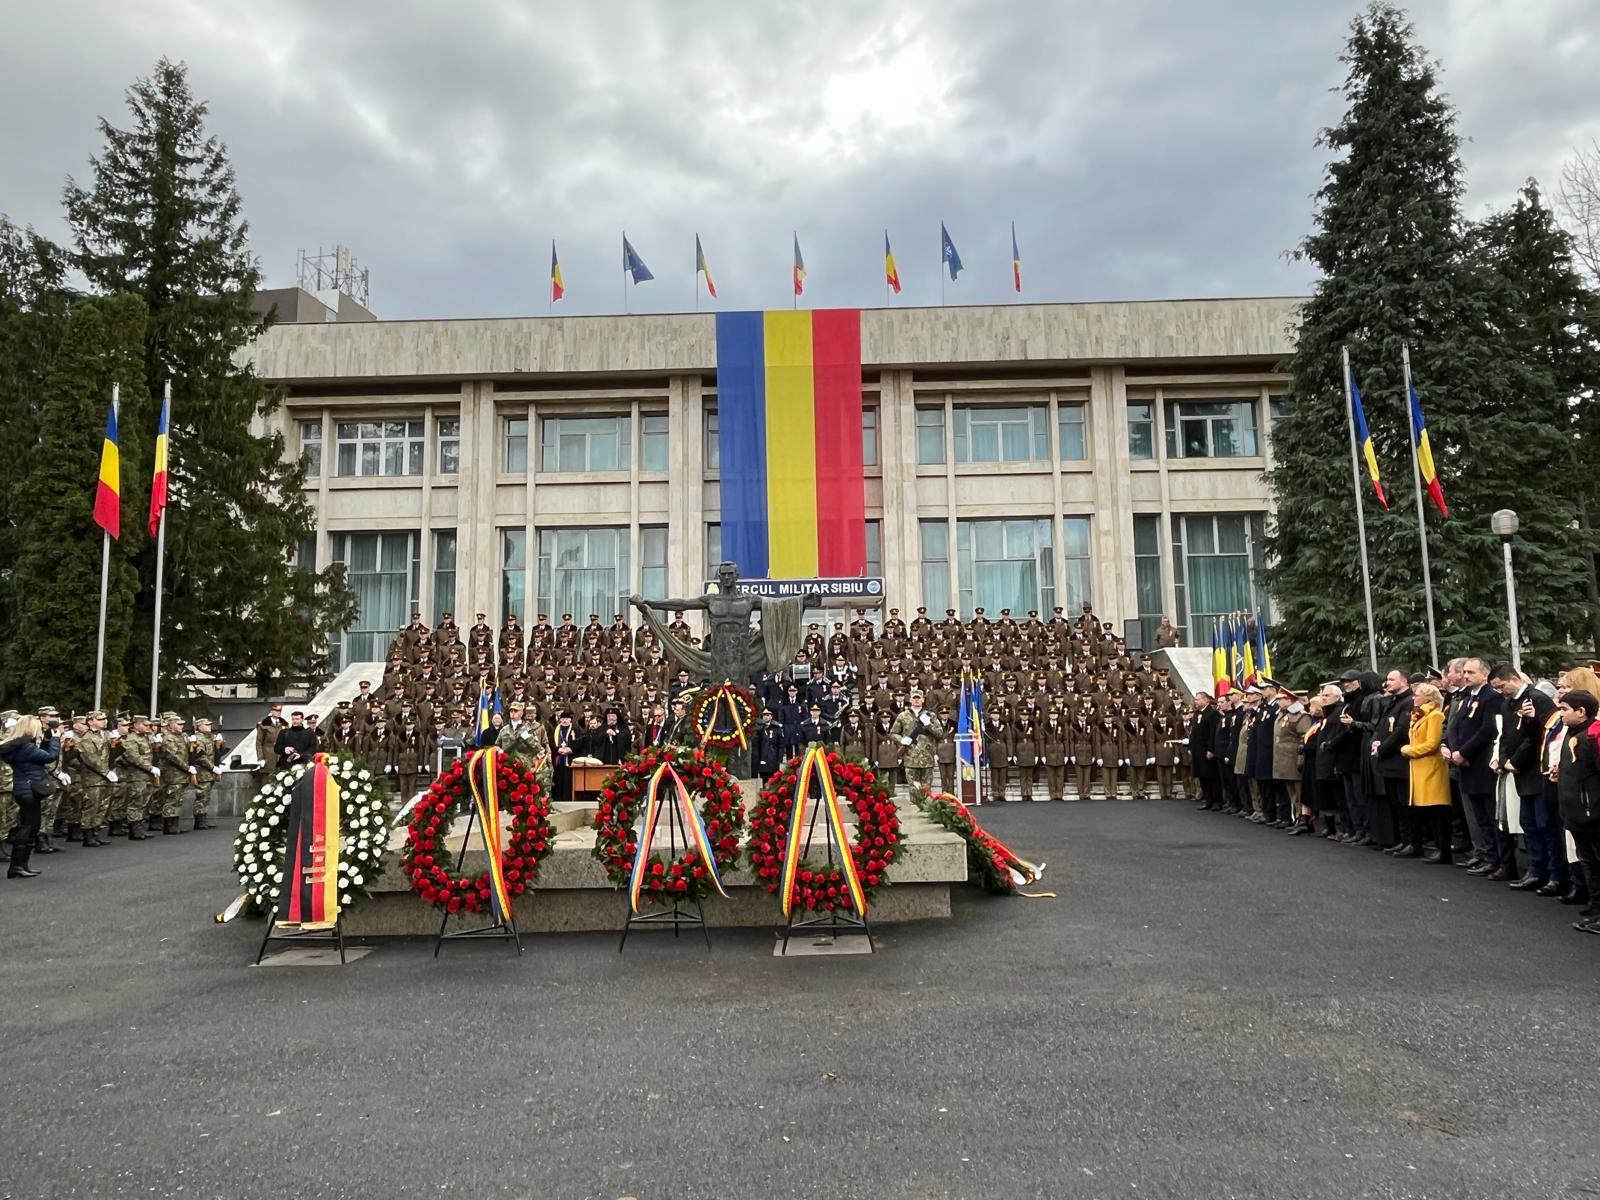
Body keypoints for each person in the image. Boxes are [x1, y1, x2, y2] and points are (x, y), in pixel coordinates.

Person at [1490, 664, 1560, 891]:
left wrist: (1515, 761)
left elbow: (1540, 736)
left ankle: (1555, 874)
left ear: (1513, 678)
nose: (1501, 692)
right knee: (1528, 824)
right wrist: (1502, 759)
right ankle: (1536, 869)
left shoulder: (1536, 699)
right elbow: (1505, 736)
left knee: (1545, 826)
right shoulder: (1507, 703)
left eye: (1502, 686)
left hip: (1535, 772)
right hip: (1519, 774)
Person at [1448, 658, 1513, 880]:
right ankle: (1489, 857)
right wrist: (1454, 750)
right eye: (1464, 672)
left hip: (1482, 766)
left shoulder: (1491, 697)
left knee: (1493, 818)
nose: (1465, 676)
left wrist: (1463, 753)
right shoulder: (1467, 697)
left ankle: (1504, 862)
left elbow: (1487, 730)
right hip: (1465, 766)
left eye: (1471, 672)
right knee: (1480, 818)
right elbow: (1456, 726)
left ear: (1484, 675)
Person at [1554, 688, 1600, 933]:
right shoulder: (1573, 732)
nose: (1560, 714)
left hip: (1592, 813)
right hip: (1576, 812)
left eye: (1565, 709)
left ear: (1582, 712)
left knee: (1596, 861)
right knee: (1589, 862)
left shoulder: (1592, 735)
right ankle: (1596, 907)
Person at [1, 715, 61, 878]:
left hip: (24, 788)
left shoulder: (19, 745)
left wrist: (48, 740)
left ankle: (21, 865)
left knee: (30, 826)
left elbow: (41, 753)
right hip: (28, 789)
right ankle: (17, 866)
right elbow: (49, 757)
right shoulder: (25, 747)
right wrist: (55, 740)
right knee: (29, 827)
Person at [1401, 683, 1452, 864]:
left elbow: (1432, 743)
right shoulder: (1418, 715)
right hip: (1419, 768)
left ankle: (1443, 849)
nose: (1414, 697)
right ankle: (1428, 847)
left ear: (1428, 698)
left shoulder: (1435, 715)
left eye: (1417, 695)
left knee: (1437, 810)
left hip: (1432, 768)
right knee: (1424, 810)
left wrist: (1409, 750)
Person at [890, 691, 944, 793]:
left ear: (923, 700)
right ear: (910, 700)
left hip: (927, 758)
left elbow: (940, 734)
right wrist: (901, 739)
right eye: (914, 698)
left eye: (918, 698)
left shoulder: (931, 716)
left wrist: (929, 725)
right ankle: (914, 809)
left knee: (926, 791)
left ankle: (926, 809)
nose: (916, 700)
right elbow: (893, 733)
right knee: (914, 790)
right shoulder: (903, 716)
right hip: (911, 758)